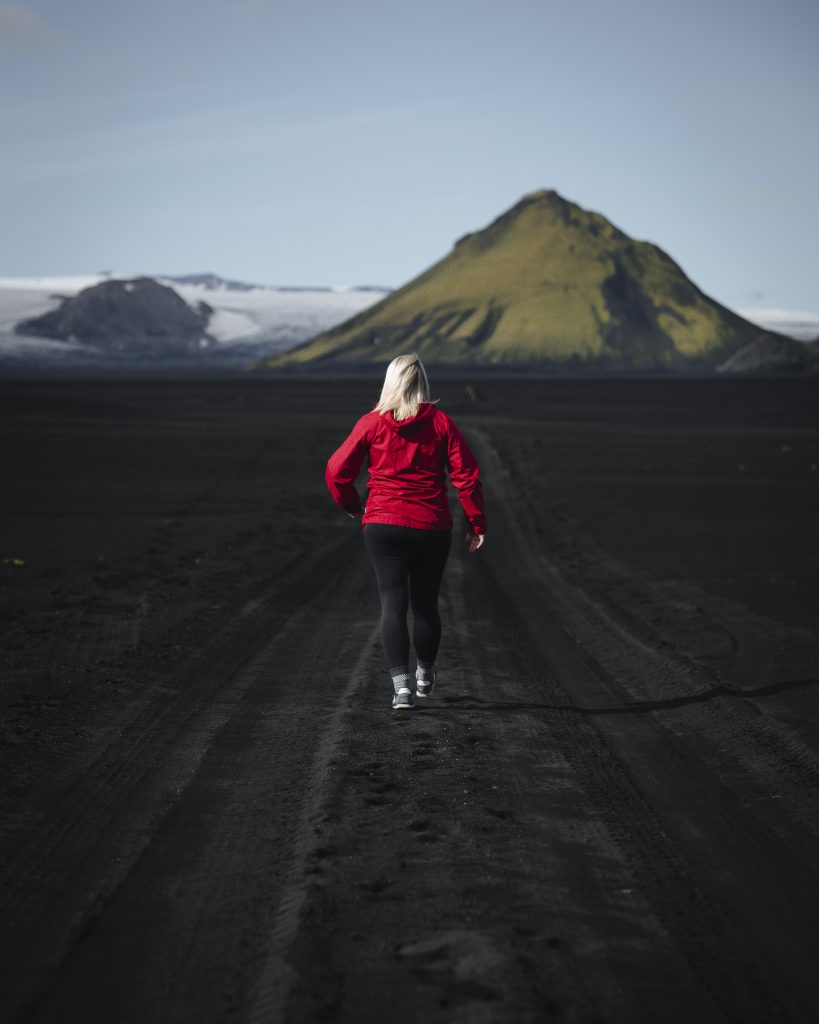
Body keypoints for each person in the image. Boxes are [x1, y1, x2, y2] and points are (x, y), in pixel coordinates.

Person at [325, 353, 486, 710]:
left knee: (392, 605)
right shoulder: (442, 423)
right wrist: (476, 523)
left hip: (383, 525)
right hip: (431, 525)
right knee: (426, 604)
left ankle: (401, 690)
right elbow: (467, 476)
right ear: (421, 383)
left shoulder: (372, 423)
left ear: (390, 382)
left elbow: (336, 470)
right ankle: (425, 675)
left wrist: (352, 504)